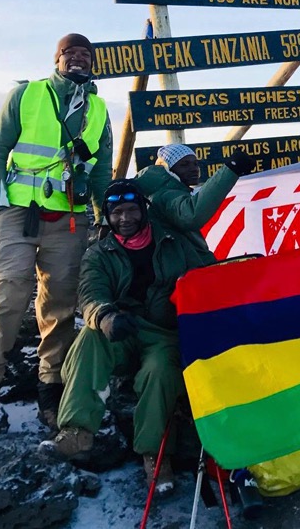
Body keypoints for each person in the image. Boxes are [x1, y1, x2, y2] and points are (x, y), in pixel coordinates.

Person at [0, 33, 112, 441]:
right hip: (16, 213)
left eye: (86, 54)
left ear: (93, 63)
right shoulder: (26, 95)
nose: (78, 59)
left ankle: (51, 388)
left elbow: (100, 171)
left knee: (61, 305)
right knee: (8, 295)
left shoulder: (98, 109)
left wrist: (105, 217)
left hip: (69, 217)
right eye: (70, 53)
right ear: (57, 59)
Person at [43, 179, 220, 496]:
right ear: (108, 217)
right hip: (122, 328)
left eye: (131, 210)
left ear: (143, 210)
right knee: (88, 339)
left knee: (160, 371)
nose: (125, 218)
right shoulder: (99, 254)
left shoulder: (173, 242)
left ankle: (155, 454)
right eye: (117, 212)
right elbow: (90, 295)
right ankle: (77, 430)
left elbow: (208, 275)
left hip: (165, 334)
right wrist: (106, 317)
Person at [135, 143, 255, 253]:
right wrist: (231, 168)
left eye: (195, 164)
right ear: (167, 169)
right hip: (187, 271)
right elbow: (192, 215)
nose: (194, 169)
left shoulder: (164, 192)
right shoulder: (165, 196)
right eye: (184, 164)